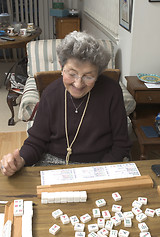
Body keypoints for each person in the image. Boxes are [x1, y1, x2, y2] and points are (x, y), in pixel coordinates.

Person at [0, 31, 131, 177]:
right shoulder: (51, 93)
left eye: (88, 76)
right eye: (72, 73)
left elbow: (121, 145)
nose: (78, 83)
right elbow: (36, 141)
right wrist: (21, 160)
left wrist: (99, 172)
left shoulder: (111, 91)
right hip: (54, 163)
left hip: (99, 165)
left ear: (98, 74)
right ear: (62, 67)